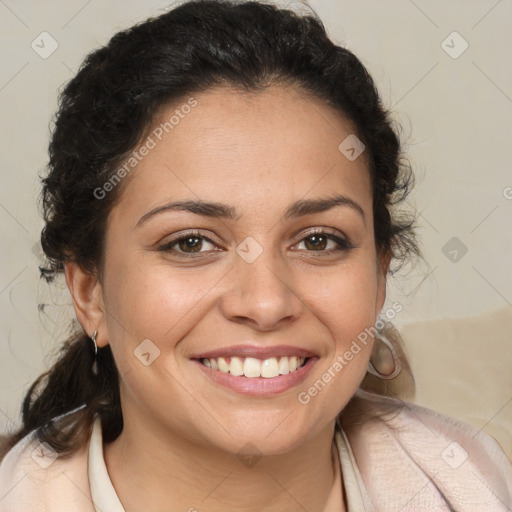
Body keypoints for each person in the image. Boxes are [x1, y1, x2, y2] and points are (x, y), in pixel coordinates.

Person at [0, 1, 510, 510]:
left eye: (318, 240)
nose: (266, 304)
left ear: (379, 277)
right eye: (191, 243)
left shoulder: (480, 482)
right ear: (89, 292)